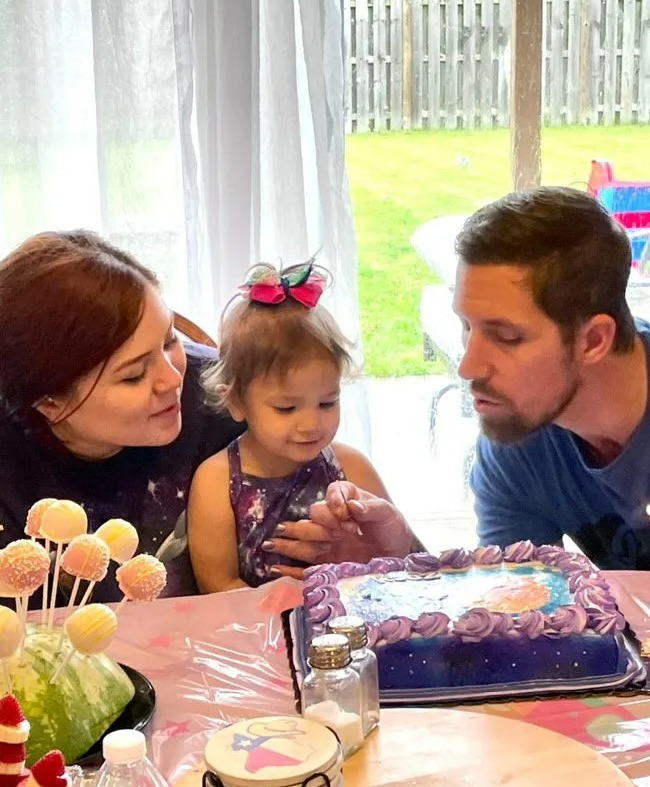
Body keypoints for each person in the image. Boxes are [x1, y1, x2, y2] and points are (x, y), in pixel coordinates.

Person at [308, 187, 650, 571]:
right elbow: (518, 600)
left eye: (506, 337)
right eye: (467, 327)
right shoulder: (522, 434)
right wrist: (401, 561)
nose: (468, 366)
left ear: (593, 340)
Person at [0, 229, 243, 603]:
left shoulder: (223, 395)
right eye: (133, 376)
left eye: (169, 340)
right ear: (49, 403)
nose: (171, 378)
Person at [187, 261, 400, 592]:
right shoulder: (216, 481)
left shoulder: (351, 466)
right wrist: (279, 606)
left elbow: (397, 561)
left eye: (327, 402)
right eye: (286, 408)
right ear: (235, 402)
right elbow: (217, 583)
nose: (311, 424)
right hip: (257, 634)